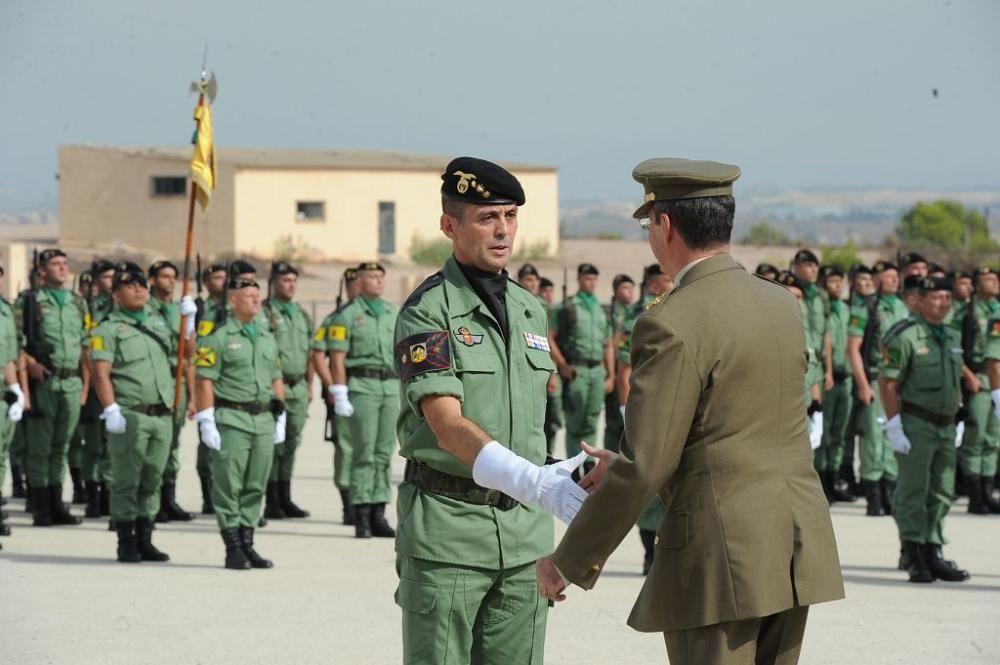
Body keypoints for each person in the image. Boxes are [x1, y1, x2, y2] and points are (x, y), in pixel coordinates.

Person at [536, 157, 843, 665]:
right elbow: (733, 429)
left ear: (665, 225)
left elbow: (648, 465)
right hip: (791, 544)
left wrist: (566, 562)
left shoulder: (672, 320)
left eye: (647, 224)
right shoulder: (781, 303)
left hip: (720, 556)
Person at [393, 156, 587, 664]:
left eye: (510, 216)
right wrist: (532, 482)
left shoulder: (529, 307)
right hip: (450, 535)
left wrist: (556, 475)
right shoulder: (428, 309)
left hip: (525, 542)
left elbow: (526, 426)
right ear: (449, 225)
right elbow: (446, 424)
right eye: (486, 218)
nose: (503, 231)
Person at [880, 275, 970, 582]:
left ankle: (933, 549)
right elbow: (889, 383)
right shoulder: (904, 336)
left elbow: (954, 380)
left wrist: (957, 416)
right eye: (936, 297)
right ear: (920, 300)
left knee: (942, 491)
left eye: (947, 297)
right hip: (916, 424)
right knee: (914, 490)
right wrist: (894, 426)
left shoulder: (951, 336)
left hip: (945, 426)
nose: (943, 302)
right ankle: (913, 552)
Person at [194, 276, 286, 570]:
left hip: (262, 419)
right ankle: (232, 546)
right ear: (232, 300)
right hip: (232, 418)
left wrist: (280, 413)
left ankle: (248, 542)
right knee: (228, 484)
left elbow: (276, 376)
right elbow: (204, 379)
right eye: (248, 296)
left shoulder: (266, 335)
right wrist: (206, 418)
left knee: (255, 484)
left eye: (257, 295)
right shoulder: (217, 336)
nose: (256, 300)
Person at [90, 263, 175, 563]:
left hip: (161, 414)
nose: (139, 289)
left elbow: (184, 356)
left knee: (153, 478)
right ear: (115, 294)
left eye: (141, 284)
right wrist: (110, 408)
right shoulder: (107, 330)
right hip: (129, 414)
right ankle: (126, 540)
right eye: (130, 285)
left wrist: (188, 322)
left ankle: (146, 537)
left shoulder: (159, 323)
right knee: (127, 479)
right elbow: (101, 373)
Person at [17, 248, 88, 527]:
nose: (62, 268)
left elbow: (84, 344)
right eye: (55, 264)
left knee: (62, 446)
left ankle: (57, 502)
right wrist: (30, 363)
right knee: (40, 447)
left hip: (71, 382)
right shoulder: (29, 301)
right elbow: (16, 341)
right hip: (44, 382)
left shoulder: (77, 303)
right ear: (42, 271)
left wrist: (85, 385)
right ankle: (41, 506)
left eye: (64, 263)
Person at [846, 260, 907, 516]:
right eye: (888, 276)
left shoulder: (904, 306)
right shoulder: (866, 308)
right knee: (873, 438)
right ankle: (873, 496)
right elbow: (853, 349)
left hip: (900, 382)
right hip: (875, 378)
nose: (894, 280)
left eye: (896, 276)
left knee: (893, 435)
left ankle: (890, 492)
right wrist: (862, 384)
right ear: (878, 280)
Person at [260, 261, 314, 521]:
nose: (290, 285)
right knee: (275, 446)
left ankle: (285, 495)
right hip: (276, 387)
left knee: (292, 444)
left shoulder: (301, 314)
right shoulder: (265, 312)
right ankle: (271, 499)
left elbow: (310, 351)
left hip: (299, 387)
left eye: (293, 280)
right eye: (285, 280)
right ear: (273, 283)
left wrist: (310, 385)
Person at [146, 260, 198, 523]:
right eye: (164, 276)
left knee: (173, 445)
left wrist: (190, 323)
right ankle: (151, 501)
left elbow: (189, 355)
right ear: (152, 280)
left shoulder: (181, 311)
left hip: (177, 384)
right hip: (155, 383)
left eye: (173, 277)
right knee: (155, 446)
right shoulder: (145, 310)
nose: (170, 282)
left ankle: (168, 499)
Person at [548, 263, 615, 457]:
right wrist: (562, 365)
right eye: (587, 278)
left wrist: (610, 375)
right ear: (579, 279)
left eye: (594, 279)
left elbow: (608, 344)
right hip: (577, 369)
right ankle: (574, 468)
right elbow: (550, 337)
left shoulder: (602, 310)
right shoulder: (567, 307)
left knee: (592, 421)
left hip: (597, 371)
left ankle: (588, 463)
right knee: (575, 423)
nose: (592, 282)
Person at [312, 267, 360, 524]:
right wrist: (332, 386)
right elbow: (318, 352)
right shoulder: (336, 318)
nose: (357, 289)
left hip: (372, 389)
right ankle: (348, 504)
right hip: (346, 387)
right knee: (346, 447)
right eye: (353, 285)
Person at [954, 267, 1000, 514]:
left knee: (993, 439)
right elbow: (952, 347)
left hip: (999, 380)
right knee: (976, 437)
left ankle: (988, 491)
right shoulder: (966, 313)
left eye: (995, 279)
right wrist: (968, 375)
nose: (992, 283)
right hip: (979, 379)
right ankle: (975, 495)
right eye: (986, 280)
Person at [74, 258, 115, 506]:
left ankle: (109, 491)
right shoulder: (86, 308)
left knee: (112, 444)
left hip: (115, 383)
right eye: (107, 277)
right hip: (91, 382)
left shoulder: (119, 308)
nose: (111, 282)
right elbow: (83, 347)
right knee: (92, 442)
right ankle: (91, 492)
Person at [819, 266, 855, 503]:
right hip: (826, 379)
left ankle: (835, 476)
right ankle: (821, 479)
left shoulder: (846, 309)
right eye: (832, 281)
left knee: (840, 432)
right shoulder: (821, 309)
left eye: (839, 281)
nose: (837, 285)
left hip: (847, 378)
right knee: (824, 433)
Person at [193, 261, 227, 513]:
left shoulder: (234, 307)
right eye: (216, 278)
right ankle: (208, 496)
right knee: (207, 442)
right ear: (206, 282)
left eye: (225, 277)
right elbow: (195, 348)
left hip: (230, 382)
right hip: (206, 378)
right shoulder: (200, 309)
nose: (222, 282)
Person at [0, 261, 25, 543]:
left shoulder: (5, 310)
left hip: (2, 396)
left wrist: (16, 388)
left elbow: (7, 354)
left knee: (0, 457)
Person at [603, 274, 634, 453]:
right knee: (614, 421)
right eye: (625, 288)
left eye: (631, 288)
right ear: (616, 290)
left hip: (628, 369)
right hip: (613, 368)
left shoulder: (635, 311)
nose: (630, 292)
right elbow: (608, 342)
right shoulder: (610, 312)